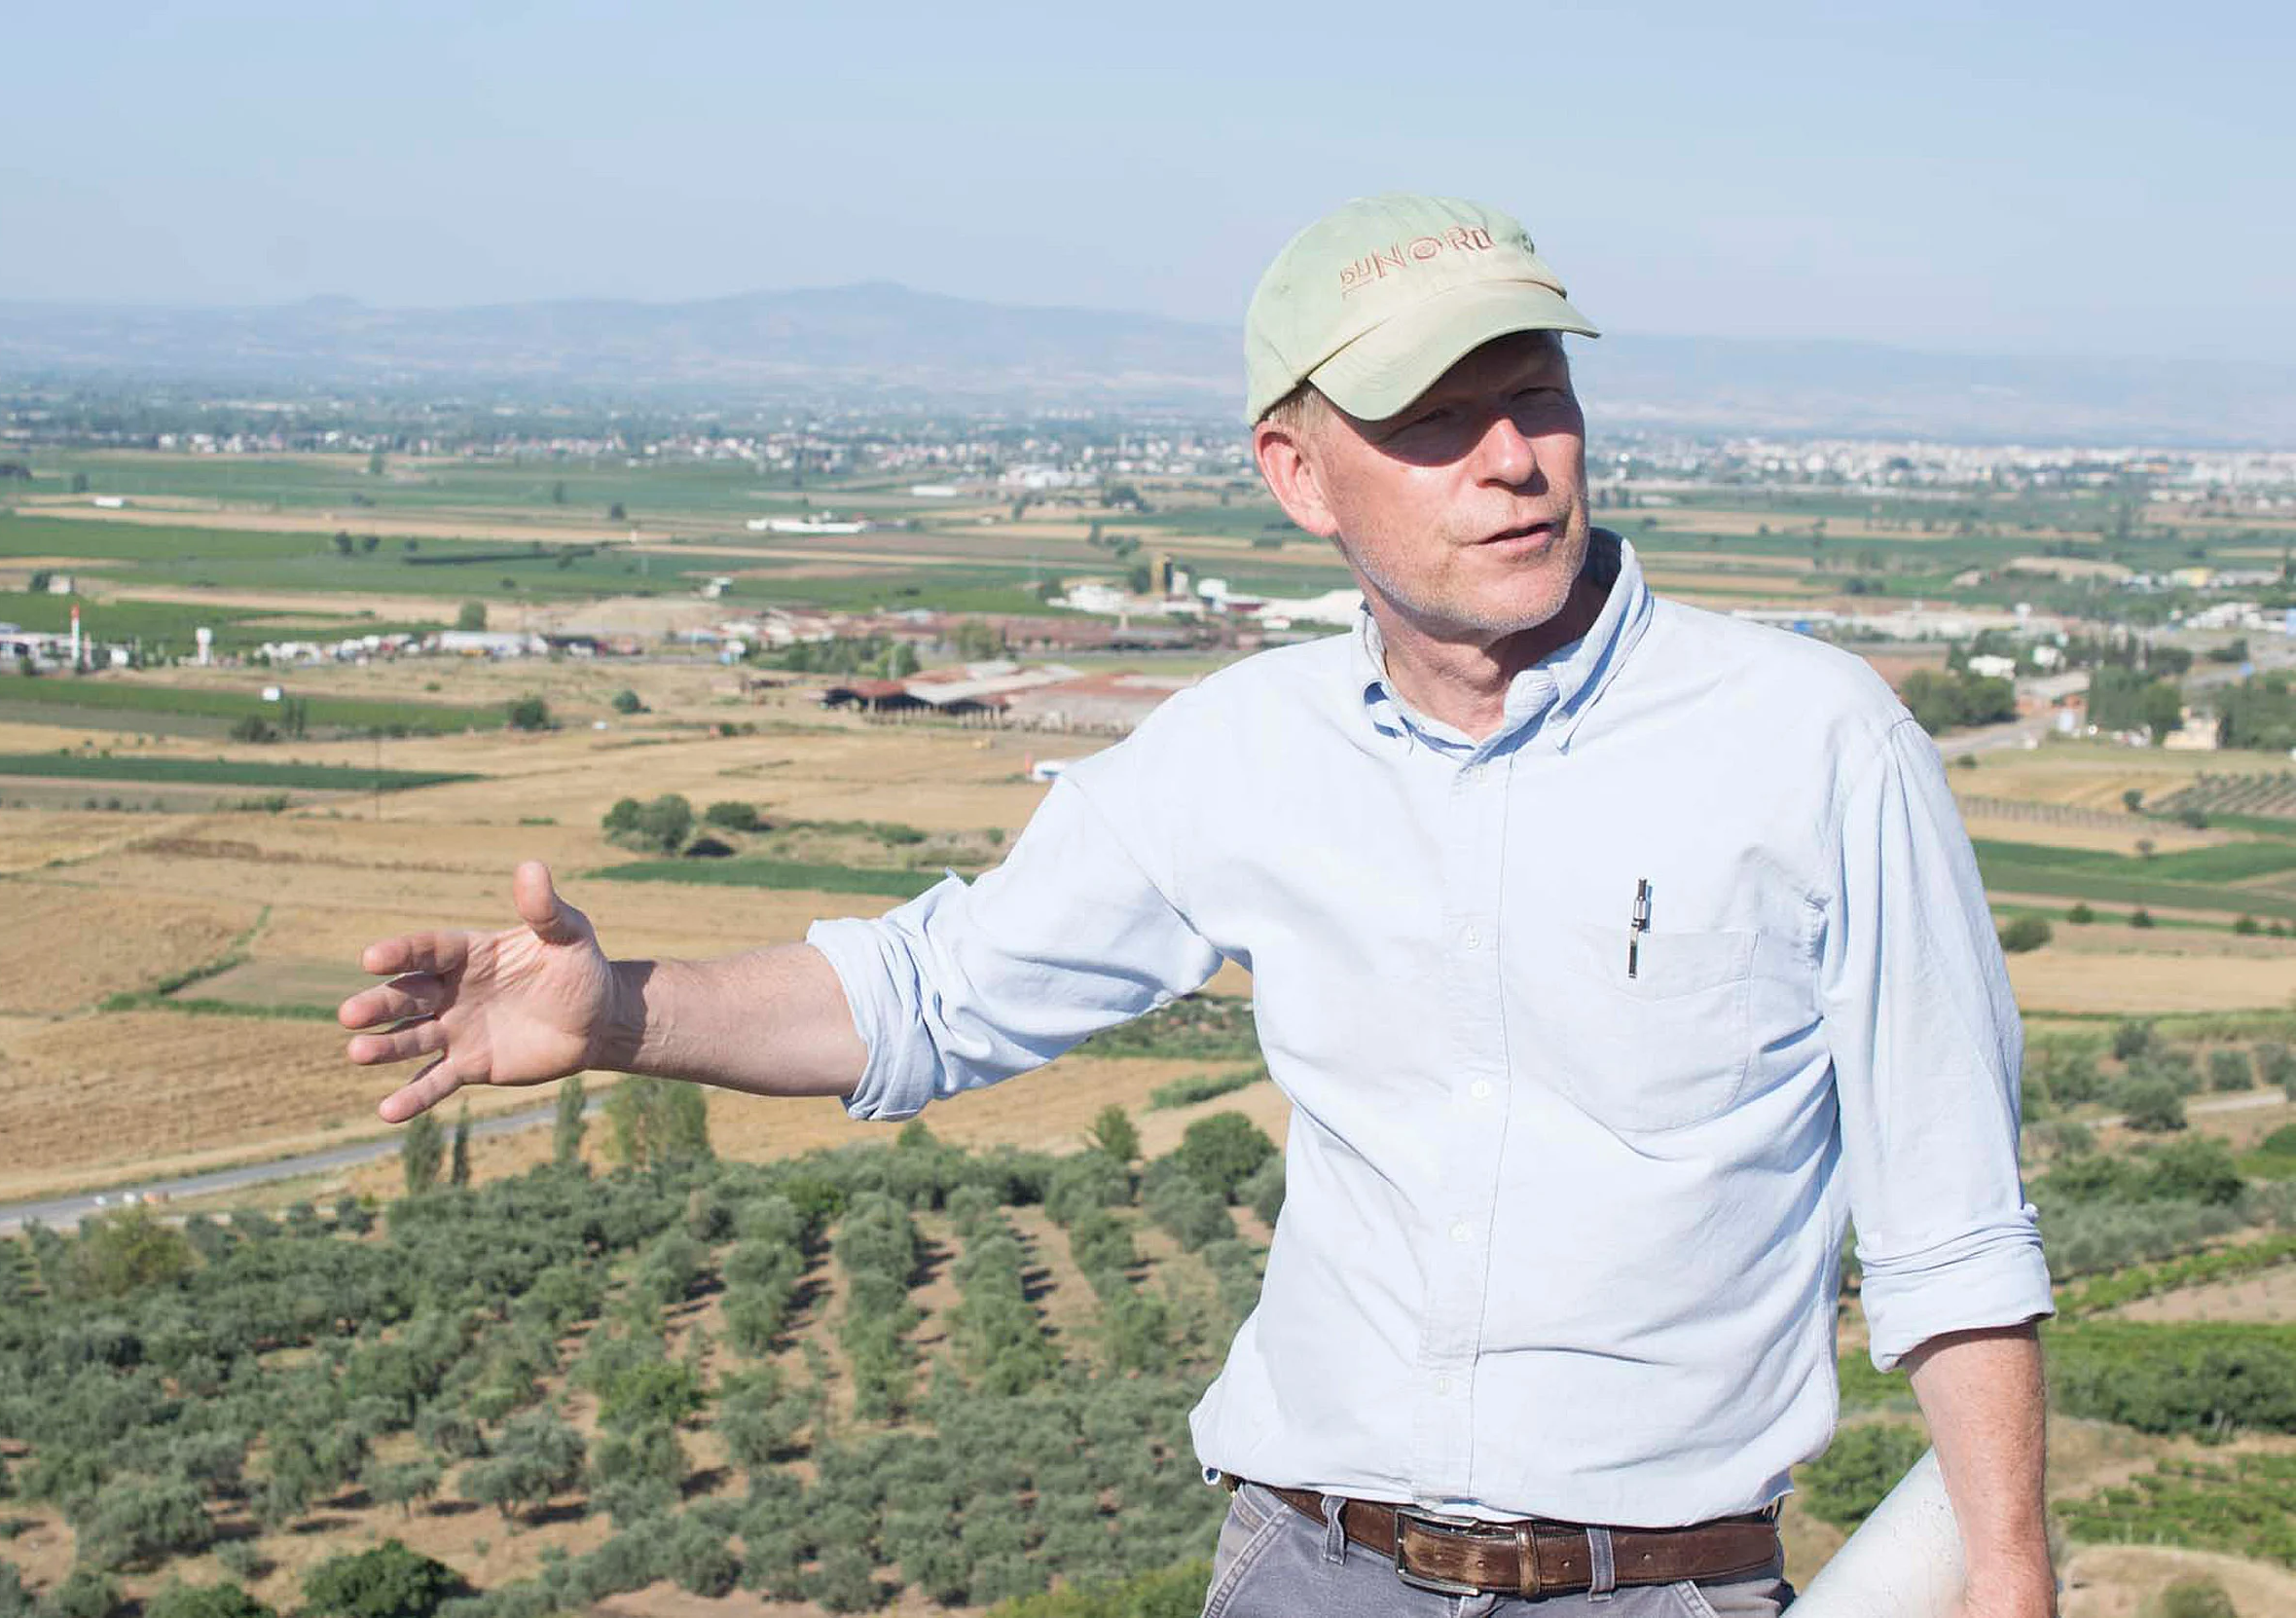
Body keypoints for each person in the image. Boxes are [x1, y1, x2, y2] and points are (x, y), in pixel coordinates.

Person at [341, 194, 2055, 1617]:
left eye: (1537, 396)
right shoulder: (1243, 747)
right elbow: (935, 996)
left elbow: (1951, 1217)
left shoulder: (1817, 744)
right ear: (1301, 475)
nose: (1514, 460)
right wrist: (615, 1009)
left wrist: (2008, 1566)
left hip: (1653, 1585)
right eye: (1437, 423)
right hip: (1306, 1566)